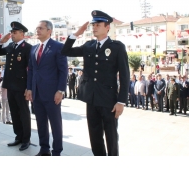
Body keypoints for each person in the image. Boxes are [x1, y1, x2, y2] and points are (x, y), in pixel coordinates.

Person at [61, 10, 130, 156]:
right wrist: (76, 34)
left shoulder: (117, 47)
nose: (94, 27)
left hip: (108, 100)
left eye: (98, 24)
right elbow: (65, 51)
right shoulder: (89, 46)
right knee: (94, 135)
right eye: (93, 25)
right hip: (91, 98)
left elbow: (125, 76)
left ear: (107, 27)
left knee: (111, 136)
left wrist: (121, 101)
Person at [25, 20, 68, 156]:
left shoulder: (58, 47)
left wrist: (60, 91)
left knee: (55, 124)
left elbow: (63, 71)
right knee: (40, 123)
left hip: (52, 93)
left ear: (49, 31)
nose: (37, 30)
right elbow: (31, 70)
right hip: (36, 93)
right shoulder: (34, 48)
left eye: (41, 28)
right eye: (37, 28)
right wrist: (29, 88)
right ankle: (44, 149)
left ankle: (56, 151)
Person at [0, 21, 32, 151]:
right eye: (11, 32)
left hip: (21, 86)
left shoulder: (27, 48)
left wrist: (29, 87)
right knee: (14, 112)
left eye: (14, 32)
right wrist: (1, 41)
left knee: (24, 113)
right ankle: (18, 137)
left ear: (22, 34)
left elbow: (30, 69)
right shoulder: (11, 46)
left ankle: (26, 139)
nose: (12, 34)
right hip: (10, 85)